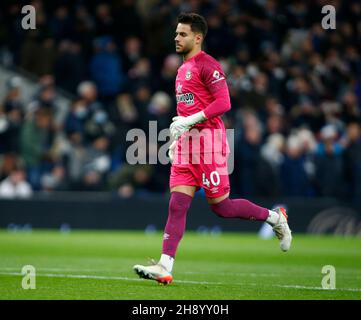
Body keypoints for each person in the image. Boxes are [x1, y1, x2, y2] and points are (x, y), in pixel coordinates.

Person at [133, 13, 292, 285]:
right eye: (176, 33)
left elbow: (224, 103)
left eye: (182, 34)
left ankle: (275, 218)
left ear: (198, 37)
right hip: (187, 147)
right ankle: (164, 265)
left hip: (210, 144)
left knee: (222, 208)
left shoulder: (208, 65)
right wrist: (175, 140)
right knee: (177, 204)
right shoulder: (182, 70)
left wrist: (190, 122)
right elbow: (186, 111)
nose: (176, 37)